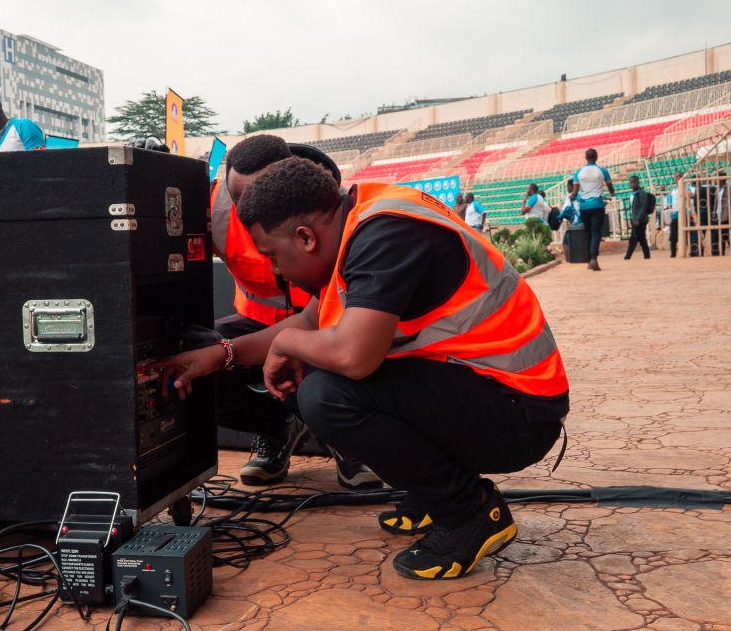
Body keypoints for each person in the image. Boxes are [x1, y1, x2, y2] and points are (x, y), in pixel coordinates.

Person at [153, 158, 568, 579]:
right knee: (324, 375)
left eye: (273, 256)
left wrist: (285, 343)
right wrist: (220, 354)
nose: (276, 271)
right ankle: (433, 492)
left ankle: (469, 512)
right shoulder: (355, 221)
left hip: (520, 413)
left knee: (326, 395)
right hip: (480, 387)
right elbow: (311, 322)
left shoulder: (385, 233)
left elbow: (354, 357)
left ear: (305, 238)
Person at [208, 135, 381, 489]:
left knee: (331, 373)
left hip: (324, 329)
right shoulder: (212, 208)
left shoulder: (328, 212)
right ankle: (275, 427)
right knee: (199, 360)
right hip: (256, 325)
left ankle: (346, 440)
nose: (253, 209)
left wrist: (293, 342)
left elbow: (324, 329)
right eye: (243, 201)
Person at [571, 148, 615, 271]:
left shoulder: (578, 173)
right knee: (596, 232)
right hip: (598, 206)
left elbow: (575, 192)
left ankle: (589, 259)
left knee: (588, 233)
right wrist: (612, 193)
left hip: (584, 207)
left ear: (586, 158)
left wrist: (572, 197)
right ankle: (594, 258)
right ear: (597, 157)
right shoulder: (603, 171)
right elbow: (610, 187)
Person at [624, 175, 651, 260]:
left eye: (635, 182)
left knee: (633, 238)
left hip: (640, 220)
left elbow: (643, 207)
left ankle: (627, 257)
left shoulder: (642, 193)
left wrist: (638, 219)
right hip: (634, 219)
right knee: (642, 239)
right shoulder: (633, 194)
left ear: (638, 182)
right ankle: (647, 256)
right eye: (631, 182)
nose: (633, 183)